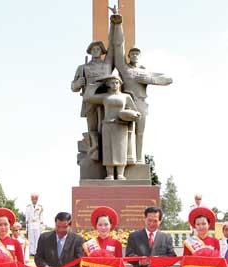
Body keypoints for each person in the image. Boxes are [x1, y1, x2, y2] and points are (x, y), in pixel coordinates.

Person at [111, 13, 172, 163]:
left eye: (137, 53)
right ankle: (127, 159)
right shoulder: (125, 69)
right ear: (129, 56)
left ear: (140, 56)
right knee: (126, 132)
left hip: (142, 103)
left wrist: (147, 79)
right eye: (132, 53)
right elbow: (118, 49)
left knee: (140, 133)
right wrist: (118, 25)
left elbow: (166, 79)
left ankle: (139, 159)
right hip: (127, 103)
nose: (134, 55)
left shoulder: (144, 71)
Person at [84, 74, 140, 180]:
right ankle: (109, 174)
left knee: (121, 150)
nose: (115, 84)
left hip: (121, 125)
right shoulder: (105, 96)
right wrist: (94, 85)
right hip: (108, 125)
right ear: (108, 84)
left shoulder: (125, 97)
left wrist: (129, 115)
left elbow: (135, 111)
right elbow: (88, 98)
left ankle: (120, 174)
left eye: (117, 82)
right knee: (108, 149)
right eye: (112, 82)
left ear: (120, 84)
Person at [71, 22, 114, 160]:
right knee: (93, 128)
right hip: (89, 99)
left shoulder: (108, 65)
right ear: (90, 51)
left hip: (105, 99)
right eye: (93, 49)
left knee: (106, 126)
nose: (96, 51)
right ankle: (94, 152)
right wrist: (78, 83)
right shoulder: (82, 67)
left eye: (98, 49)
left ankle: (107, 153)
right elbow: (73, 86)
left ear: (102, 51)